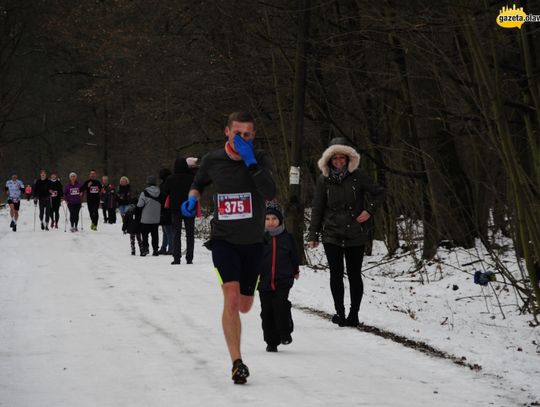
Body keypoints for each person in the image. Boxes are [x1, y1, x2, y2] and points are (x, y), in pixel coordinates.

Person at [181, 112, 275, 384]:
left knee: (245, 306)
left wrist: (251, 162)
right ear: (227, 132)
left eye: (248, 135)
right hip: (223, 240)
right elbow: (197, 183)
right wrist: (192, 198)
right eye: (238, 134)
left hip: (254, 242)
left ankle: (237, 353)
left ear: (253, 136)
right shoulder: (212, 160)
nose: (243, 139)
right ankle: (237, 362)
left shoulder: (260, 158)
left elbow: (270, 193)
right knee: (231, 298)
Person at [307, 137, 385, 327]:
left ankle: (354, 314)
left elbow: (380, 192)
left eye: (342, 158)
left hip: (355, 232)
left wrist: (369, 211)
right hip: (331, 232)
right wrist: (313, 235)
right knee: (336, 274)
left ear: (349, 158)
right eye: (335, 158)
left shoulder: (359, 176)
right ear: (329, 160)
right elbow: (317, 207)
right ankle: (340, 313)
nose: (339, 162)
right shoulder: (323, 180)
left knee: (354, 274)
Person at [258, 202, 299, 353]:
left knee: (280, 304)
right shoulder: (259, 238)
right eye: (267, 219)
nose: (270, 222)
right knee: (266, 311)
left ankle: (285, 332)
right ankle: (271, 341)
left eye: (274, 218)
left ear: (280, 220)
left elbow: (294, 256)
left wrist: (295, 270)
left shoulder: (287, 238)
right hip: (264, 281)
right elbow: (252, 258)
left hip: (283, 279)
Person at [162, 158, 194, 265]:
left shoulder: (170, 178)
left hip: (175, 209)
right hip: (189, 208)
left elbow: (165, 191)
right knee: (190, 234)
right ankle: (189, 258)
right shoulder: (191, 178)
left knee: (176, 233)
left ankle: (177, 258)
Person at [137, 175, 162, 256]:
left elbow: (140, 205)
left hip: (145, 218)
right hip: (156, 218)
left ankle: (145, 249)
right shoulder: (160, 192)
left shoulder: (144, 193)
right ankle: (155, 250)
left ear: (147, 182)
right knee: (155, 235)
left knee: (145, 234)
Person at [158, 168, 173, 255]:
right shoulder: (165, 184)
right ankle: (164, 247)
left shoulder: (165, 185)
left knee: (168, 230)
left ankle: (170, 248)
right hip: (166, 208)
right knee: (166, 230)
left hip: (166, 209)